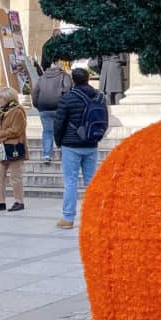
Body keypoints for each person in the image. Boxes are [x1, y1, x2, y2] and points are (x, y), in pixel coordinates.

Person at [53, 67, 102, 229]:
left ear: (73, 80)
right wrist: (97, 138)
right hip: (91, 144)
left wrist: (58, 141)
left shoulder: (67, 98)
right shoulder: (99, 97)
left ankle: (68, 218)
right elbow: (104, 120)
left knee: (71, 182)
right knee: (91, 182)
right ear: (88, 79)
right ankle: (93, 217)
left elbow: (59, 122)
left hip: (71, 145)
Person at [0, 87, 27, 213]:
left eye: (1, 98)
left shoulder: (18, 111)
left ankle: (19, 201)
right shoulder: (2, 111)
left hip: (14, 147)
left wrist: (1, 134)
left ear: (8, 98)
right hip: (3, 147)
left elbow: (17, 130)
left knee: (15, 176)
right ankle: (0, 201)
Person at [32, 54, 72, 164]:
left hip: (44, 108)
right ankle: (64, 153)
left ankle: (47, 154)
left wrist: (38, 105)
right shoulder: (65, 76)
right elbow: (68, 90)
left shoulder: (42, 77)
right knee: (62, 130)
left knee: (47, 131)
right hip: (59, 107)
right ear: (61, 66)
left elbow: (35, 93)